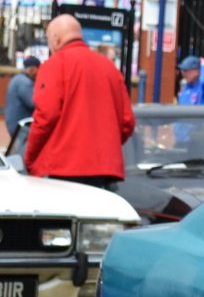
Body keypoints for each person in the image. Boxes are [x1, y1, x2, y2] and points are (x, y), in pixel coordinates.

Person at [24, 14, 135, 189]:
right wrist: (106, 146)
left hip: (63, 167)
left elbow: (45, 117)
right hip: (104, 169)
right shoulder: (110, 68)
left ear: (56, 40)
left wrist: (30, 158)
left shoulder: (54, 65)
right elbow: (127, 122)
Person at [5, 55, 40, 138]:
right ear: (32, 70)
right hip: (21, 126)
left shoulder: (17, 78)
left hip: (15, 124)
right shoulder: (25, 82)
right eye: (38, 70)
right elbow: (34, 103)